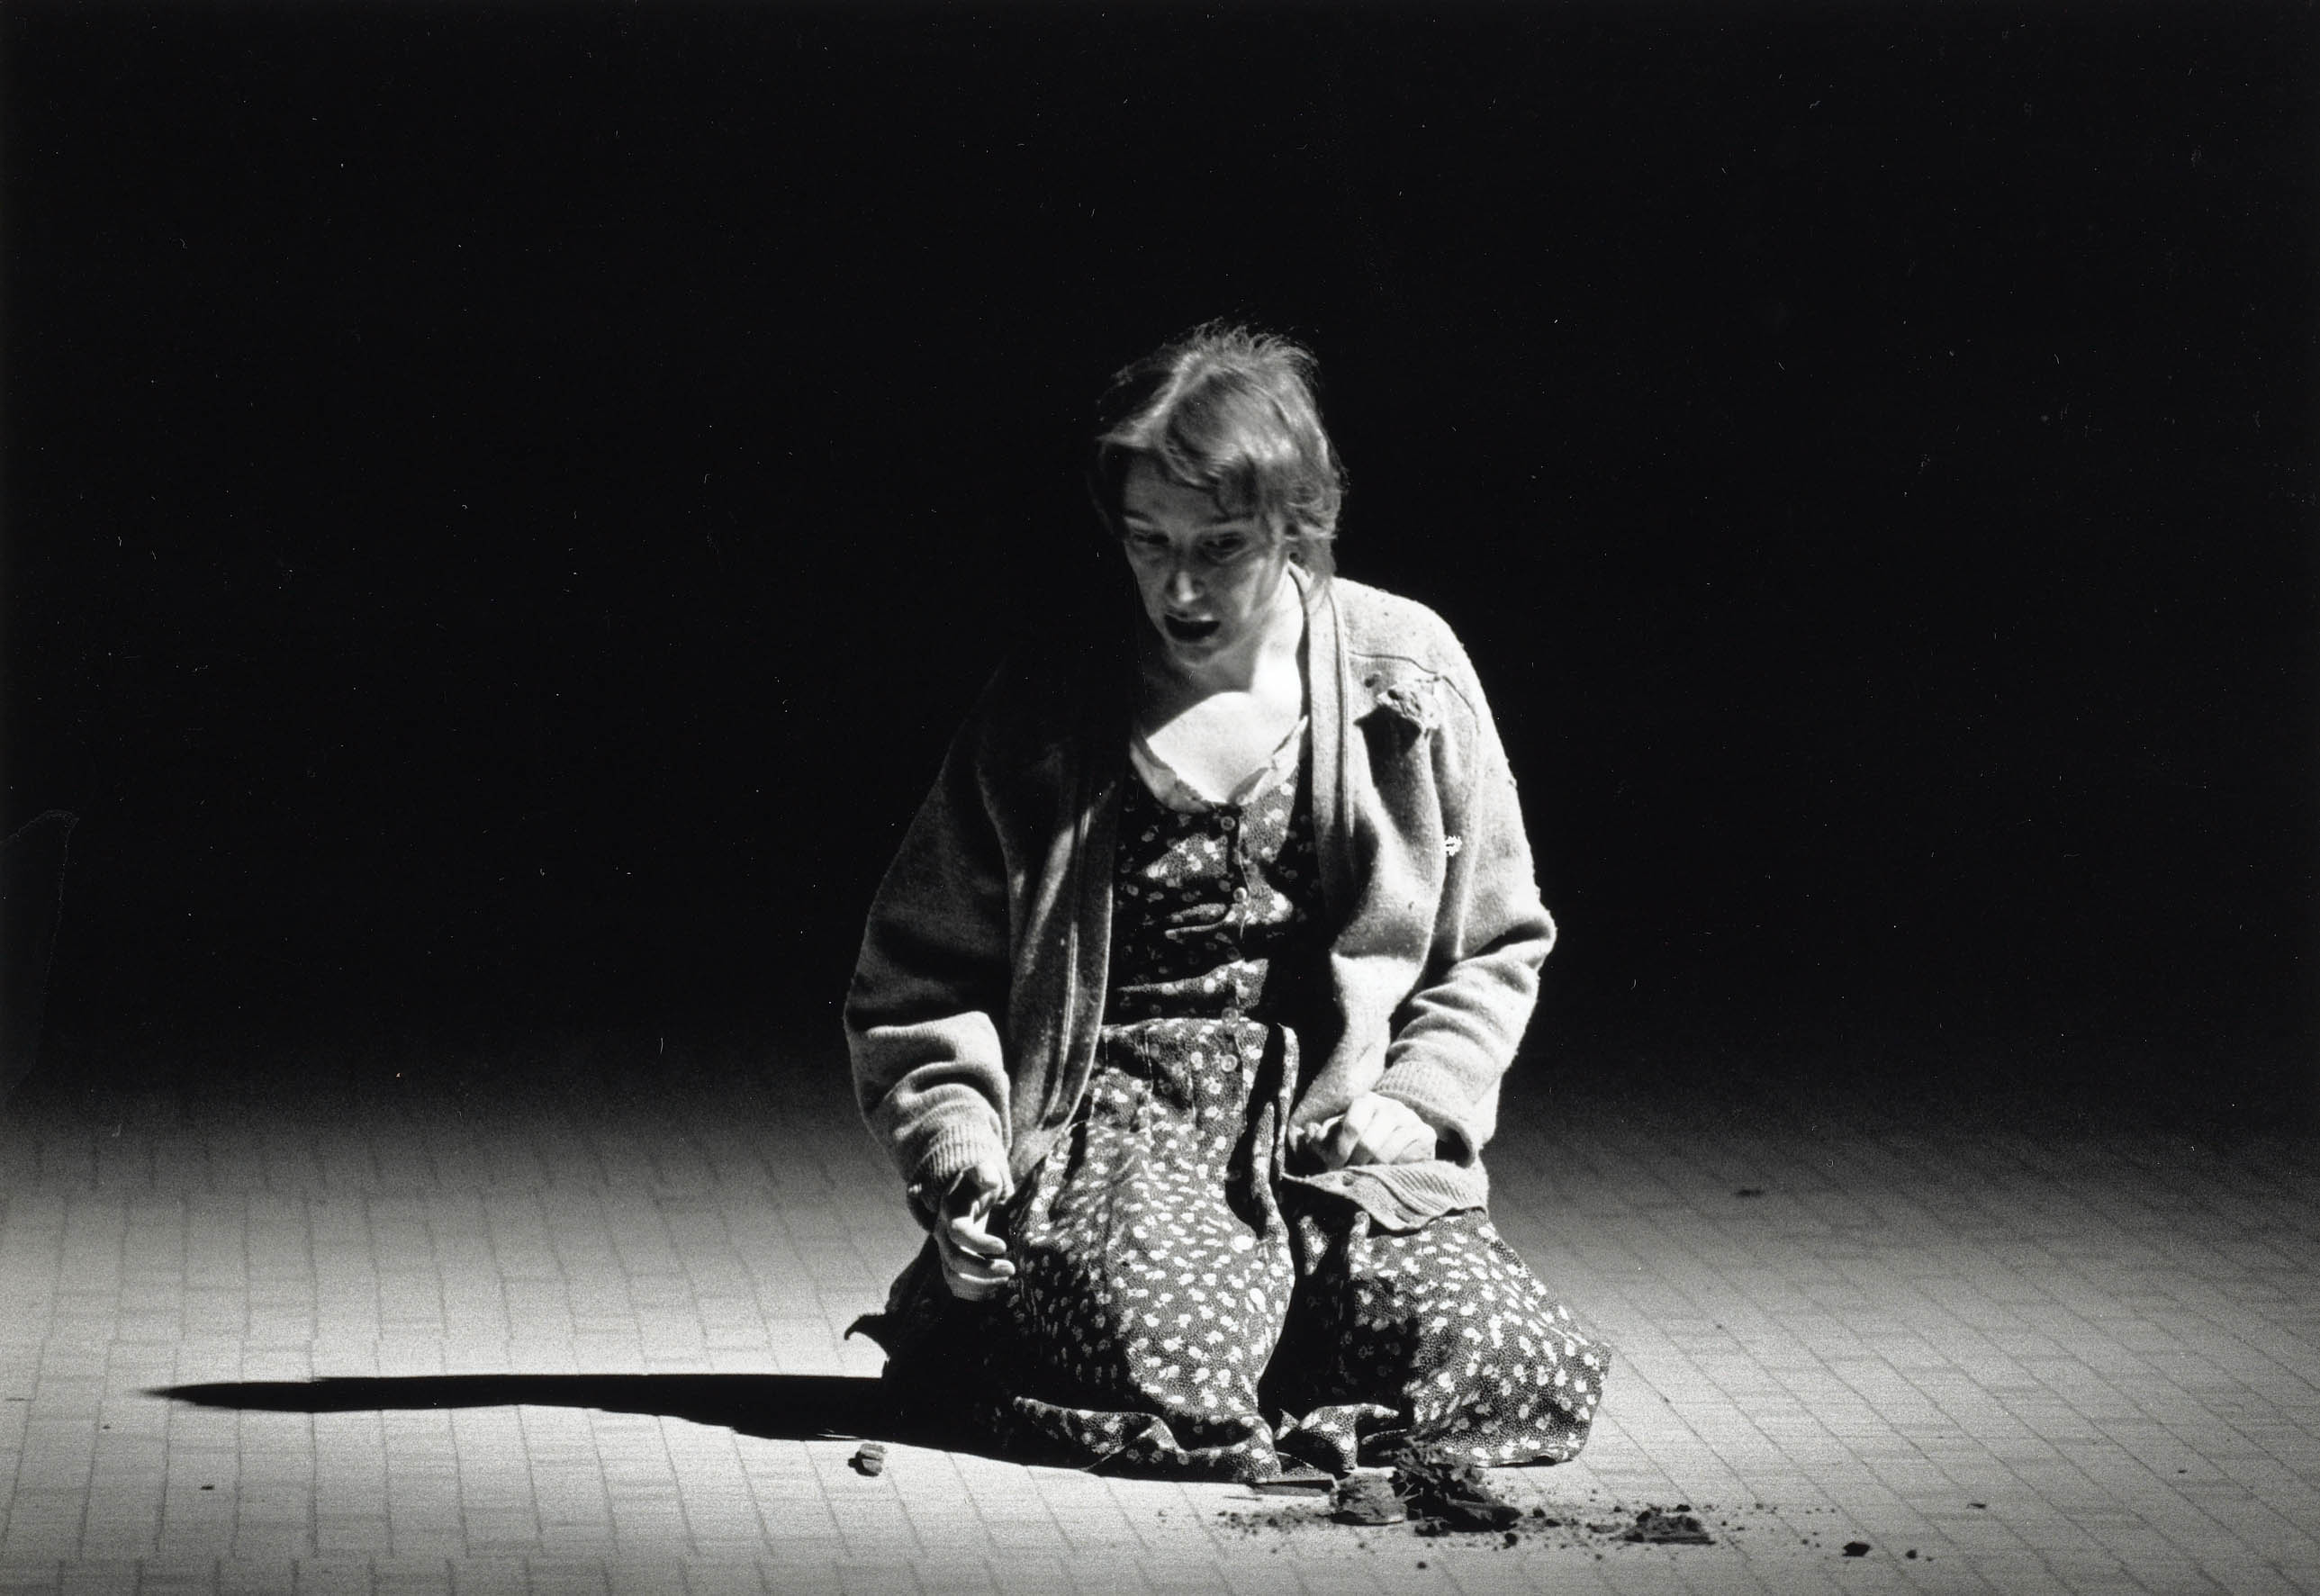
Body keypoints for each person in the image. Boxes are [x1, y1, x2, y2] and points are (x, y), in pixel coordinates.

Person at [844, 323, 1609, 1481]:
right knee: (1172, 1362)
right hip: (1125, 1126)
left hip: (1330, 1131)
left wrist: (1418, 1100)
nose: (1180, 585)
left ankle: (1290, 1333)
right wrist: (961, 1159)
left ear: (1299, 525)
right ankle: (1170, 1335)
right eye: (1148, 541)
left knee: (1517, 1364)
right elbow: (916, 975)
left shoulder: (1404, 674)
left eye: (1221, 545)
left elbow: (1497, 940)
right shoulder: (1051, 703)